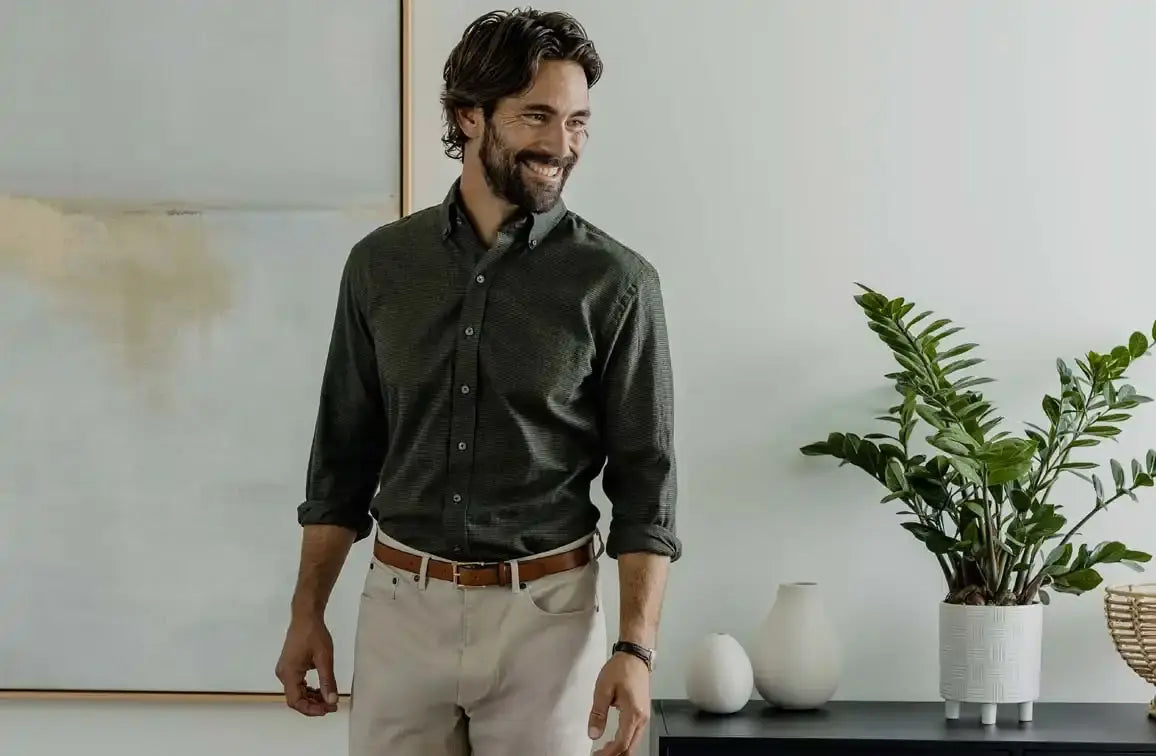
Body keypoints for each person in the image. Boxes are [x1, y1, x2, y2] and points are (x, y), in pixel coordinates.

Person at [274, 8, 681, 756]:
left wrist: (636, 649)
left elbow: (646, 483)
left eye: (579, 122)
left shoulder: (617, 284)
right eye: (537, 116)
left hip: (549, 623)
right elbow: (340, 459)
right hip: (400, 610)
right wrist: (308, 613)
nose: (562, 145)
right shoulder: (379, 267)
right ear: (468, 116)